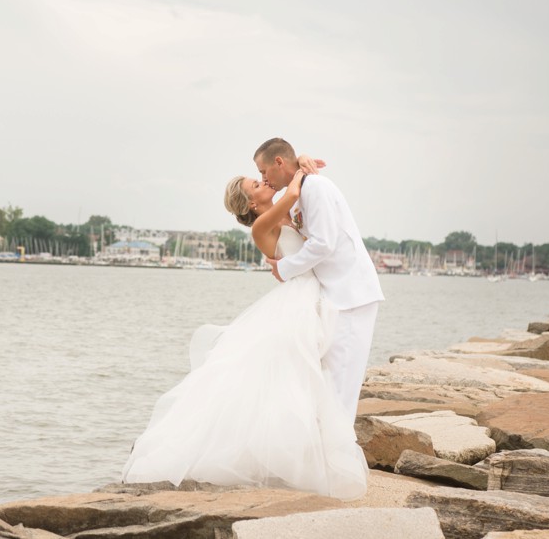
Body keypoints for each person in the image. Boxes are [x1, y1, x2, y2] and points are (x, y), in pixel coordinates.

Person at [121, 158, 368, 500]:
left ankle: (310, 449)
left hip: (316, 297)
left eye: (262, 177)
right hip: (298, 302)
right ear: (252, 203)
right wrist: (298, 165)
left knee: (307, 376)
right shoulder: (261, 225)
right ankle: (307, 456)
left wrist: (301, 160)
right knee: (297, 374)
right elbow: (294, 187)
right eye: (257, 184)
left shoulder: (289, 214)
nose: (264, 182)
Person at [253, 138, 383, 424]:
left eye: (264, 171)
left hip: (352, 294)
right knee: (330, 382)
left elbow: (324, 243)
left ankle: (337, 457)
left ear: (278, 163)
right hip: (335, 296)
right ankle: (327, 453)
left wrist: (284, 268)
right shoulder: (301, 192)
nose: (263, 179)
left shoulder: (316, 188)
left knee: (341, 385)